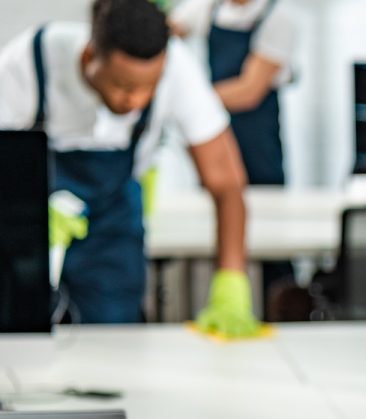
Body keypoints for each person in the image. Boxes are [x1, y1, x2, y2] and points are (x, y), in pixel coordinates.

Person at [0, 0, 258, 335]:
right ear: (90, 58)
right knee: (18, 334)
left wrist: (231, 283)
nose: (136, 100)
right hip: (28, 235)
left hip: (114, 230)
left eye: (148, 89)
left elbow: (226, 183)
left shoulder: (177, 67)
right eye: (123, 87)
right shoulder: (31, 62)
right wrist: (22, 213)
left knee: (113, 341)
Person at [170, 0, 297, 312]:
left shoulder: (278, 18)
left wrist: (188, 99)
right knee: (217, 227)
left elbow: (249, 91)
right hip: (216, 140)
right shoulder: (207, 8)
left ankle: (279, 314)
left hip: (259, 147)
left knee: (270, 241)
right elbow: (162, 35)